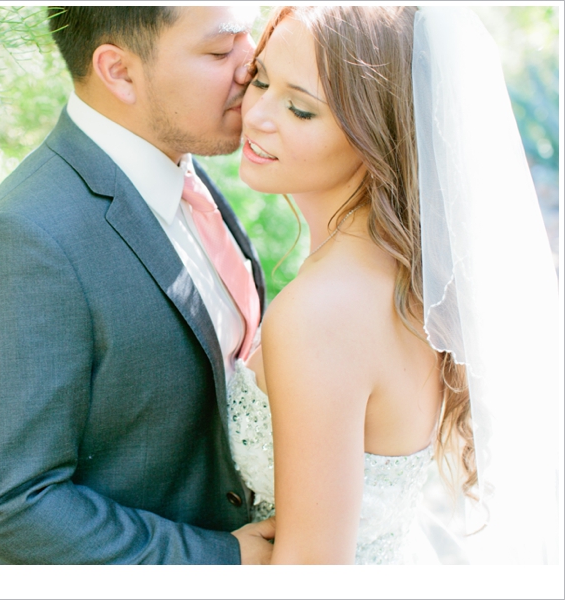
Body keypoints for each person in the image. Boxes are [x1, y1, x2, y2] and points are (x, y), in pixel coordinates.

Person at [0, 7, 276, 564]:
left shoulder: (182, 173)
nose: (251, 65)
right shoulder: (26, 240)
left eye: (251, 37)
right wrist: (220, 561)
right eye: (221, 52)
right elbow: (4, 502)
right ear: (119, 72)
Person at [229, 6, 560, 564]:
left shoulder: (323, 314)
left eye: (300, 109)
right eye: (259, 78)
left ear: (373, 134)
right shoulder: (407, 276)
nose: (257, 114)